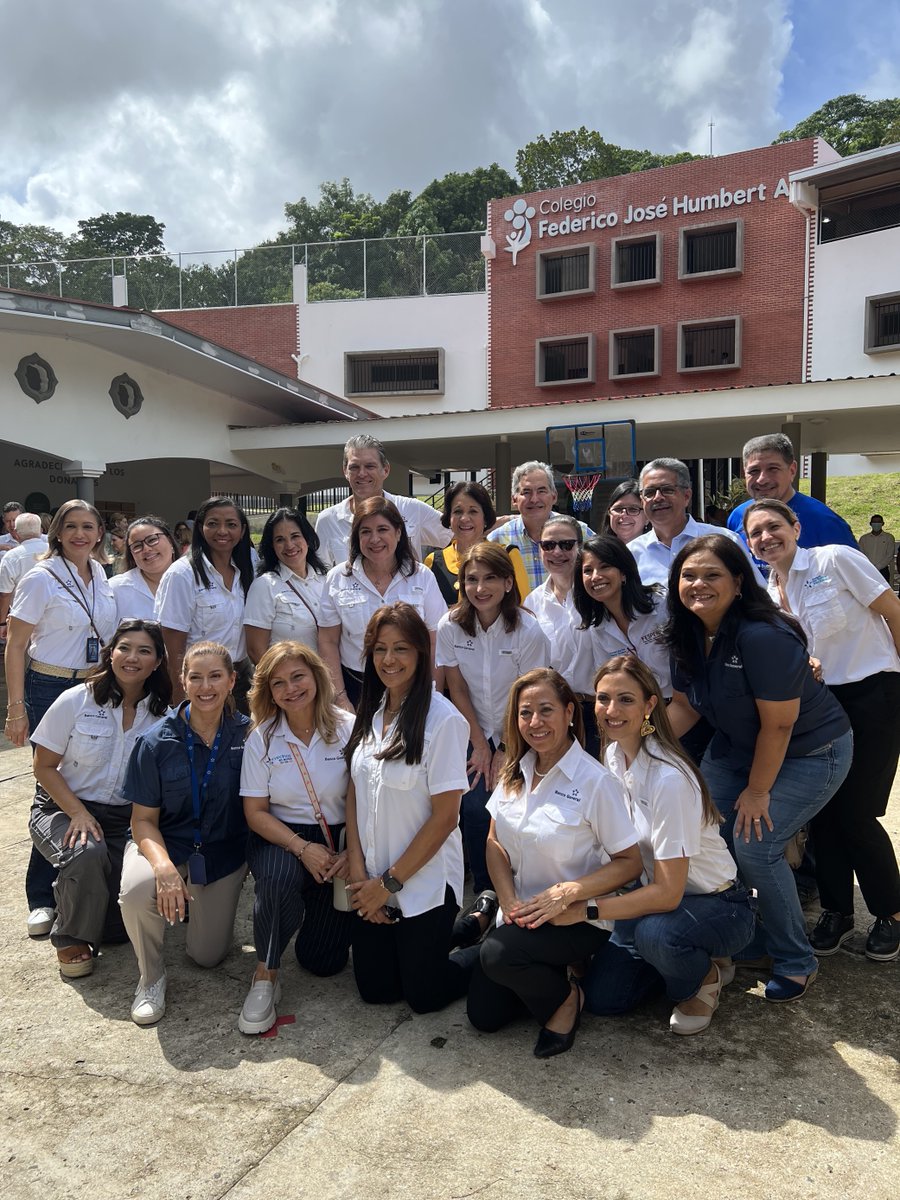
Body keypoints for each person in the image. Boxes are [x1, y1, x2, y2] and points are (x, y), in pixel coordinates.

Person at [665, 534, 853, 1002]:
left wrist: (757, 791)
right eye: (689, 575)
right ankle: (741, 939)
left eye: (712, 575)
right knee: (705, 832)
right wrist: (640, 745)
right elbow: (687, 706)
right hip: (736, 747)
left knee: (755, 846)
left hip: (810, 752)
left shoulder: (762, 635)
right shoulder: (687, 631)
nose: (698, 584)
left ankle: (795, 960)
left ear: (737, 582)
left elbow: (780, 725)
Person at [745, 499, 900, 962]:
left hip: (873, 694)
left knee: (856, 812)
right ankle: (837, 911)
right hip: (821, 707)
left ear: (795, 527)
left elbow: (893, 610)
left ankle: (890, 913)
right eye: (756, 533)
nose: (766, 537)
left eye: (774, 526)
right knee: (824, 814)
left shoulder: (835, 558)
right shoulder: (771, 591)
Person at [466, 668, 641, 1058]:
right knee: (485, 1017)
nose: (535, 722)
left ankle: (567, 998)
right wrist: (508, 900)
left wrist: (570, 893)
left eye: (546, 710)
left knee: (497, 956)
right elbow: (494, 843)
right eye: (525, 713)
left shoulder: (596, 782)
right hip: (519, 916)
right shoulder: (515, 770)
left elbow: (629, 862)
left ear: (568, 713)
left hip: (573, 918)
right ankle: (536, 968)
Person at [584, 657, 755, 1034]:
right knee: (604, 1000)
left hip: (717, 903)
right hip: (655, 899)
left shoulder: (668, 779)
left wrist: (589, 910)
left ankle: (703, 977)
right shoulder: (612, 756)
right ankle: (681, 959)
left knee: (656, 936)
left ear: (649, 706)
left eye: (625, 700)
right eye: (603, 698)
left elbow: (668, 893)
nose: (611, 710)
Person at [344, 603, 474, 1013]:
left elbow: (445, 817)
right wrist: (358, 873)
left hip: (421, 884)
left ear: (421, 652)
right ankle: (456, 932)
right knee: (377, 990)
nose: (389, 659)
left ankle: (482, 938)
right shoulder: (372, 711)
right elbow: (354, 790)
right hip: (372, 881)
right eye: (380, 649)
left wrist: (388, 884)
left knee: (424, 995)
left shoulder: (444, 721)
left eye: (401, 648)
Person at [28, 620, 171, 977]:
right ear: (110, 654)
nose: (132, 658)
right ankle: (71, 937)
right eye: (124, 648)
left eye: (144, 651)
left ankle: (75, 901)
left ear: (157, 662)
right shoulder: (77, 699)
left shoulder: (162, 715)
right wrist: (77, 813)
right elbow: (43, 766)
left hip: (125, 816)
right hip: (63, 805)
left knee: (115, 932)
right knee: (86, 850)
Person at [119, 641, 249, 1025]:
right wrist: (162, 868)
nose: (205, 686)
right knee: (136, 891)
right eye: (195, 677)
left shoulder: (250, 736)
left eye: (215, 677)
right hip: (165, 845)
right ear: (183, 681)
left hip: (222, 854)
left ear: (231, 681)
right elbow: (142, 821)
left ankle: (194, 906)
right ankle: (151, 976)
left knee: (206, 957)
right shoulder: (155, 741)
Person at [4, 499, 118, 936]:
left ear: (99, 532)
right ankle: (39, 895)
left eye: (88, 527)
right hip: (49, 686)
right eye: (71, 527)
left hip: (95, 686)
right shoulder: (40, 577)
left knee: (84, 779)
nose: (80, 535)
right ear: (57, 532)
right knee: (51, 785)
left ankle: (69, 878)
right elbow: (16, 646)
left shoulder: (100, 574)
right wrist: (16, 709)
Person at [238, 642, 355, 1034]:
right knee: (277, 880)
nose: (290, 689)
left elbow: (367, 798)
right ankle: (266, 973)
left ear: (317, 677)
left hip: (339, 841)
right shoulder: (263, 738)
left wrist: (352, 850)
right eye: (278, 683)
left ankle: (317, 919)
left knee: (322, 962)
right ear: (267, 692)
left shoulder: (348, 728)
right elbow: (255, 813)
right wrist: (302, 849)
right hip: (282, 838)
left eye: (298, 676)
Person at [436, 542, 549, 919]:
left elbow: (528, 695)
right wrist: (479, 744)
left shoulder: (529, 629)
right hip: (472, 729)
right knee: (470, 800)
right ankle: (485, 890)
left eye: (489, 579)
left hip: (523, 731)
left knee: (510, 802)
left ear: (506, 582)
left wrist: (504, 747)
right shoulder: (450, 625)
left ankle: (520, 881)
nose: (479, 588)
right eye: (471, 579)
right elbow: (457, 687)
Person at [318, 496, 446, 710]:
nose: (374, 539)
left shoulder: (422, 576)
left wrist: (433, 696)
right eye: (365, 532)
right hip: (356, 688)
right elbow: (328, 641)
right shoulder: (337, 578)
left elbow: (435, 640)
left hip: (413, 687)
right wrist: (340, 698)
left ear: (398, 533)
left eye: (382, 529)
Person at [154, 496, 255, 709]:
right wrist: (181, 703)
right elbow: (174, 651)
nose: (222, 531)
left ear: (243, 530)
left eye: (231, 524)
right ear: (200, 528)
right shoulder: (182, 574)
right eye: (213, 524)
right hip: (201, 681)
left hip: (242, 679)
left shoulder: (249, 566)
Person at [315, 433, 451, 567]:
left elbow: (457, 535)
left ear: (385, 470)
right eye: (354, 467)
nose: (362, 473)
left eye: (370, 466)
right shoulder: (328, 520)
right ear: (345, 471)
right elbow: (319, 576)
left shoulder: (412, 509)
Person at [628, 458, 764, 588]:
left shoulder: (726, 540)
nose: (658, 498)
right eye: (650, 492)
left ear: (686, 496)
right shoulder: (631, 553)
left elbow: (759, 596)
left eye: (667, 490)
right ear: (642, 501)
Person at [525, 515, 597, 749]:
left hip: (601, 710)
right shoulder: (532, 603)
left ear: (580, 547)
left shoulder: (597, 593)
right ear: (540, 550)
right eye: (548, 545)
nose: (557, 552)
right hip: (557, 714)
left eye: (566, 545)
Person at [574, 534, 671, 699]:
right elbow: (610, 680)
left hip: (681, 706)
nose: (595, 576)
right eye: (588, 571)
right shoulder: (597, 628)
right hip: (638, 710)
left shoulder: (663, 605)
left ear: (624, 573)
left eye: (604, 566)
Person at [727, 433, 857, 553]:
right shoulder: (737, 517)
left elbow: (853, 574)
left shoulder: (825, 522)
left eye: (773, 469)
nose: (762, 480)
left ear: (792, 470)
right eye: (754, 471)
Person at [488, 461, 593, 591]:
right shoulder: (496, 540)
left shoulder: (581, 532)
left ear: (554, 496)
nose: (534, 499)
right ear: (514, 500)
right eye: (526, 492)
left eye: (541, 491)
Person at [244, 508, 327, 664]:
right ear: (272, 546)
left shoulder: (325, 581)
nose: (289, 545)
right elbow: (256, 651)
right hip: (288, 683)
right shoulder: (264, 586)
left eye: (295, 536)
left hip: (327, 682)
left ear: (307, 539)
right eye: (280, 540)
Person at [424, 480, 529, 604]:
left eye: (473, 511)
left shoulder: (508, 556)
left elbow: (523, 610)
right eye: (458, 511)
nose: (464, 518)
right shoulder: (432, 562)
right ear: (449, 517)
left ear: (485, 517)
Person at [109, 516, 179, 622]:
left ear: (170, 541)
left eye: (152, 540)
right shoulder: (115, 589)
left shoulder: (196, 581)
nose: (146, 549)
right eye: (137, 546)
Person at [0, 512, 48, 634]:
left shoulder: (11, 557)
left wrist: (2, 623)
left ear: (17, 532)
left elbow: (5, 594)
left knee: (18, 651)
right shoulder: (55, 551)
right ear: (40, 530)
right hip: (54, 615)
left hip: (21, 617)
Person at [601, 480, 649, 544]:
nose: (624, 515)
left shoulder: (660, 552)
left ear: (647, 517)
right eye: (618, 509)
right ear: (609, 513)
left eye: (633, 509)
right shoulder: (596, 552)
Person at [858, 514, 896, 585]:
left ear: (883, 523)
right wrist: (869, 566)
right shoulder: (864, 538)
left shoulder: (889, 538)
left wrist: (878, 567)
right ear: (870, 524)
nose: (876, 524)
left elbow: (889, 555)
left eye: (878, 522)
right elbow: (861, 554)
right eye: (874, 522)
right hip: (867, 569)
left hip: (883, 570)